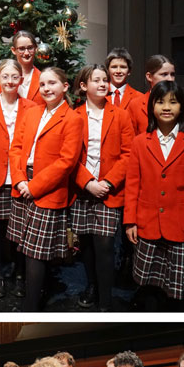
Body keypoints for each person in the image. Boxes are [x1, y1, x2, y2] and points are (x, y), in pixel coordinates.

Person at [124, 80, 184, 309]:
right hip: (146, 221)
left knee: (175, 284)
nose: (167, 107)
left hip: (179, 224)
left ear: (182, 107)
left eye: (173, 102)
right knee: (147, 280)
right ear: (152, 107)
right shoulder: (140, 142)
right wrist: (130, 221)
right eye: (160, 102)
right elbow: (133, 184)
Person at [8, 67, 84, 311]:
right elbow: (16, 148)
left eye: (52, 83)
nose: (47, 88)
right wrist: (20, 179)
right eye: (42, 84)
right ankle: (31, 293)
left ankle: (31, 305)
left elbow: (67, 162)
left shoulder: (73, 119)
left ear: (64, 86)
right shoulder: (32, 113)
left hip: (47, 189)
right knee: (23, 244)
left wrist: (34, 186)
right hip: (24, 183)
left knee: (35, 251)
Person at [70, 63, 134, 311]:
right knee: (85, 242)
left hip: (109, 190)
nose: (103, 84)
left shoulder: (121, 115)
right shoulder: (74, 116)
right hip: (83, 190)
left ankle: (105, 297)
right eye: (96, 80)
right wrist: (87, 182)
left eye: (105, 80)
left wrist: (107, 183)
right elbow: (69, 158)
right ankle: (92, 286)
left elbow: (128, 154)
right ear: (84, 86)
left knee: (105, 244)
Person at [0, 58, 36, 298]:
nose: (10, 81)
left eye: (15, 77)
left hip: (21, 178)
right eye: (5, 77)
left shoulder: (31, 107)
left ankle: (20, 274)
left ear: (21, 80)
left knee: (21, 230)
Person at [127, 54, 184, 135]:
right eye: (164, 74)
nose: (170, 79)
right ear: (149, 77)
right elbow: (131, 141)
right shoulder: (135, 105)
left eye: (172, 74)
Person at [0, 30, 41, 101]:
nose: (26, 53)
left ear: (36, 48)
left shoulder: (42, 78)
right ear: (13, 50)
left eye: (30, 48)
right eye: (22, 49)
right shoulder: (3, 78)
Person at [105, 47, 143, 112]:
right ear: (108, 70)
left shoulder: (139, 97)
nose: (118, 71)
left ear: (129, 71)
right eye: (114, 67)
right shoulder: (99, 94)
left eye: (123, 67)